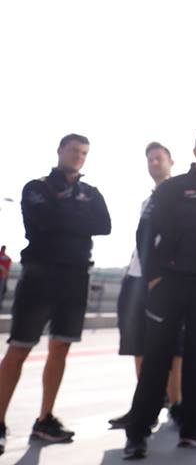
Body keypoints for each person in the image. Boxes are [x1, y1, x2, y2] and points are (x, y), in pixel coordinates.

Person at [122, 130, 196, 460]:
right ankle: (137, 431)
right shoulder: (173, 189)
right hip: (169, 284)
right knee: (157, 357)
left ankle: (193, 427)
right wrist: (153, 278)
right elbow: (145, 231)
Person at [0, 134, 111, 454]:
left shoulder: (91, 192)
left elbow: (104, 225)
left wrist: (66, 214)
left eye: (84, 153)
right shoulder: (36, 187)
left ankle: (45, 418)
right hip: (40, 274)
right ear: (60, 151)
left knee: (60, 347)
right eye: (74, 150)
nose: (78, 156)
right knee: (19, 348)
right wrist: (77, 217)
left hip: (76, 277)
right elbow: (43, 221)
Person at [109, 142, 183, 429]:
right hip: (136, 278)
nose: (154, 163)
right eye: (150, 159)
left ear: (171, 161)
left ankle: (177, 405)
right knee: (137, 344)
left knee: (175, 347)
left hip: (164, 280)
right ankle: (145, 406)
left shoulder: (179, 195)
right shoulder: (149, 198)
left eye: (159, 159)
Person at [0, 246, 10, 312]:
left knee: (2, 290)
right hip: (3, 276)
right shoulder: (7, 258)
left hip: (3, 276)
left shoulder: (6, 257)